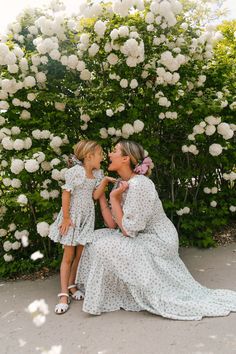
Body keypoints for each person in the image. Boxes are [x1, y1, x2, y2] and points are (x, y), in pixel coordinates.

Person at [76, 140, 236, 320]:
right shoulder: (120, 183)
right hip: (137, 233)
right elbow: (113, 225)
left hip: (158, 239)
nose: (109, 155)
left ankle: (142, 294)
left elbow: (129, 230)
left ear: (126, 159)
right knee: (95, 238)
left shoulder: (140, 185)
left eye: (114, 151)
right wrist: (105, 196)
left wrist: (114, 199)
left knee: (105, 245)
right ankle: (115, 294)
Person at [48, 140, 116, 314]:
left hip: (87, 219)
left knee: (79, 254)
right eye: (99, 154)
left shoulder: (96, 174)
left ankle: (72, 285)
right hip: (73, 219)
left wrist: (105, 182)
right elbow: (66, 194)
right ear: (89, 156)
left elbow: (94, 196)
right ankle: (63, 294)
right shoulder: (75, 172)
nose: (102, 157)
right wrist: (66, 218)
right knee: (68, 256)